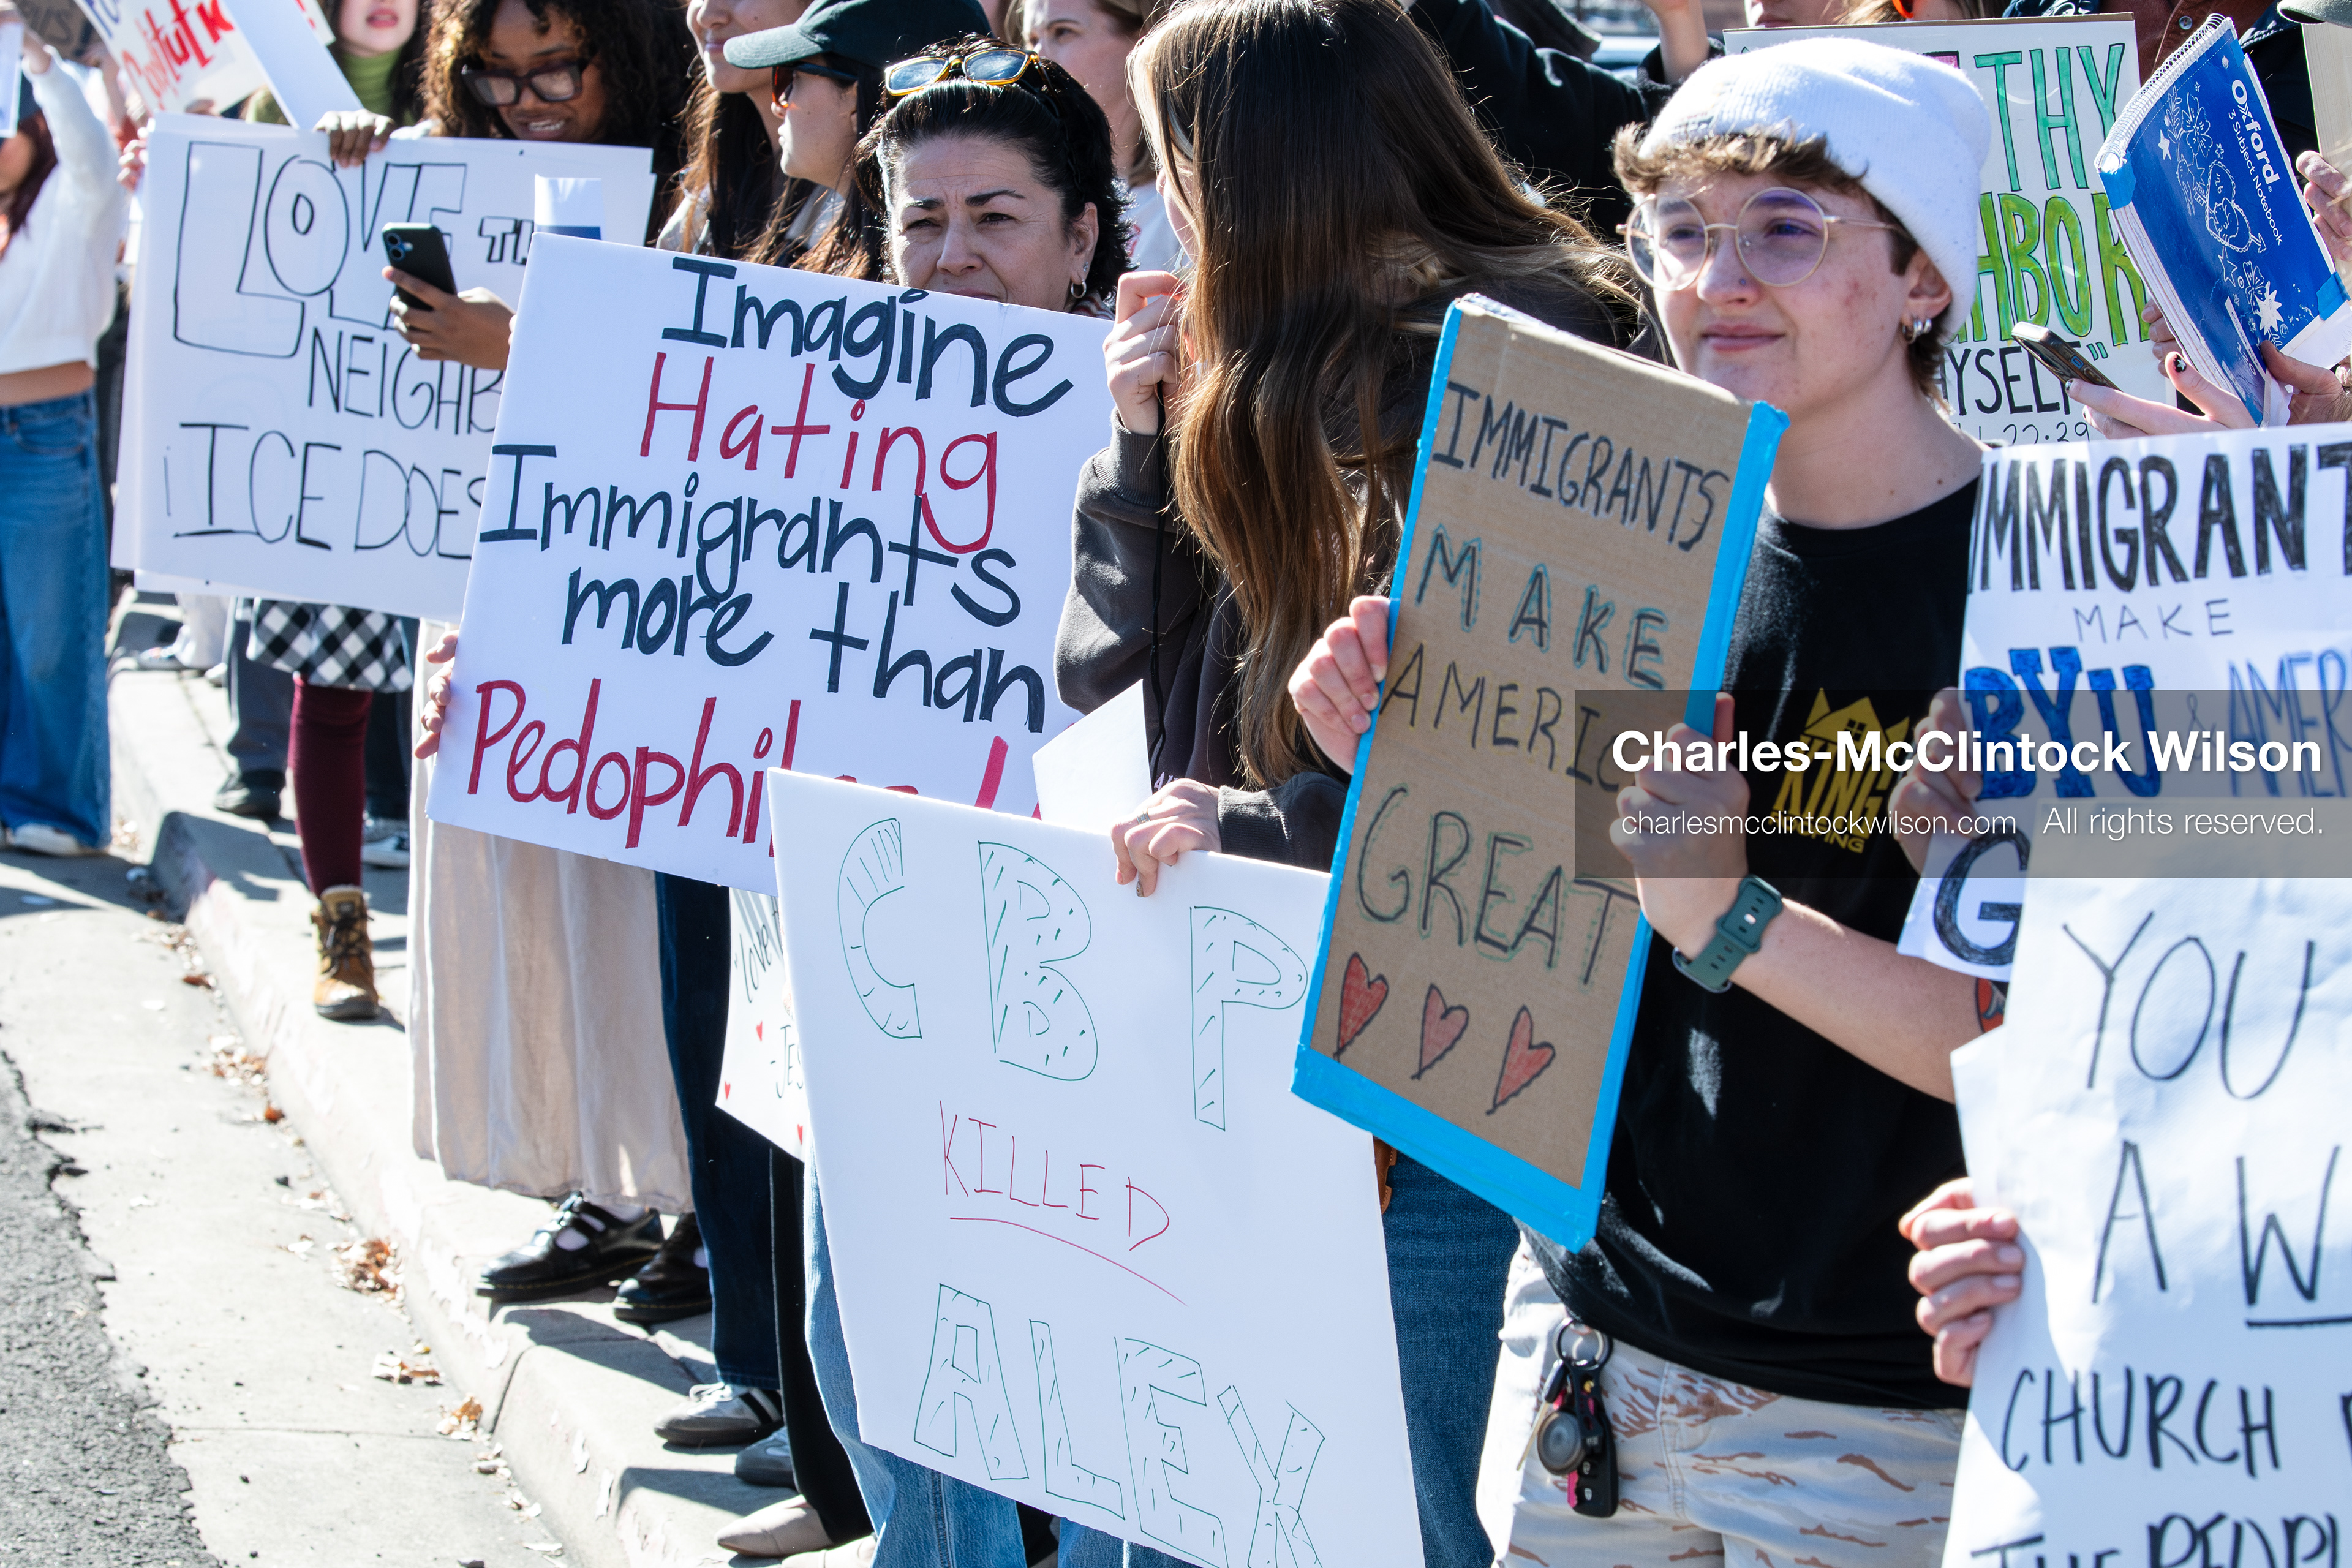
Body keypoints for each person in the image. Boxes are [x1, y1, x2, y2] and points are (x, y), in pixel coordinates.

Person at [1279, 38, 2000, 1565]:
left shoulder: (2048, 582)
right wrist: (1403, 759)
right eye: (1681, 232)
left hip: (1892, 1414)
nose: (1717, 277)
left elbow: (2051, 1046)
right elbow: (1563, 897)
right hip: (1606, 1365)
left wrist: (1728, 913)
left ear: (1925, 278)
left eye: (1786, 229)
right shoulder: (1621, 540)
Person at [1063, 6, 1633, 1567]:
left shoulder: (1538, 360)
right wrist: (1132, 446)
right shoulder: (1245, 364)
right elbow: (1111, 687)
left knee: (1394, 1515)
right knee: (1200, 1503)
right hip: (1246, 997)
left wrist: (1256, 820)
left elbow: (1527, 754)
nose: (1153, 201)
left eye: (1170, 159)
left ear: (1260, 172)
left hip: (1436, 1067)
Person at [712, 10, 1116, 1561]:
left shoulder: (1157, 410)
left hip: (1055, 971)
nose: (951, 253)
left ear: (1082, 235)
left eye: (995, 217)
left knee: (1055, 1368)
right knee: (866, 1342)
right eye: (923, 219)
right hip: (856, 947)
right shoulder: (805, 403)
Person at [379, 0, 698, 367]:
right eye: (497, 73)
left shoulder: (694, 194)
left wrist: (521, 348)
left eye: (555, 71)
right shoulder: (459, 150)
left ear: (625, 58)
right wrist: (358, 147)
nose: (527, 102)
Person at [0, 22, 127, 859]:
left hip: (44, 435)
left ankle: (60, 808)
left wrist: (37, 60)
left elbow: (92, 153)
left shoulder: (78, 198)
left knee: (48, 633)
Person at [1005, 0, 1183, 270]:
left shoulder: (1188, 193)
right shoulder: (1037, 184)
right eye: (1032, 40)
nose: (1037, 59)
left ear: (1143, 39)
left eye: (1063, 32)